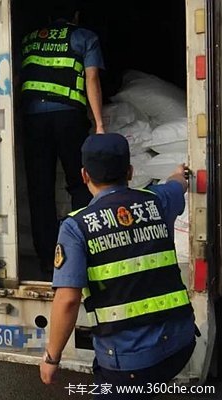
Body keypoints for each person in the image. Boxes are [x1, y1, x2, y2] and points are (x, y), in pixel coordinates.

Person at [39, 133, 196, 399]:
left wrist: (51, 358)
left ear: (84, 175)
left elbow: (67, 299)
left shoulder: (76, 227)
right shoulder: (157, 201)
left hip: (129, 362)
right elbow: (176, 185)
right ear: (130, 171)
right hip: (180, 344)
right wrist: (181, 175)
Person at [18, 0, 106, 279]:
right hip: (69, 119)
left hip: (33, 120)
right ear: (76, 15)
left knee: (40, 190)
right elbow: (92, 79)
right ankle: (81, 254)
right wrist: (99, 124)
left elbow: (18, 79)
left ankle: (47, 260)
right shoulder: (85, 37)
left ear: (48, 16)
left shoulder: (29, 40)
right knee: (80, 183)